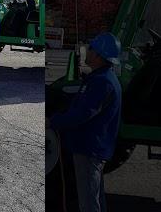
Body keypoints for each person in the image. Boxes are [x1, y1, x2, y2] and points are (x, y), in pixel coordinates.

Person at [48, 32, 122, 212]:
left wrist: (53, 121)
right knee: (94, 198)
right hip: (91, 146)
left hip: (89, 149)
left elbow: (81, 114)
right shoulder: (101, 79)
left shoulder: (102, 83)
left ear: (98, 55)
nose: (87, 52)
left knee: (88, 203)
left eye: (90, 49)